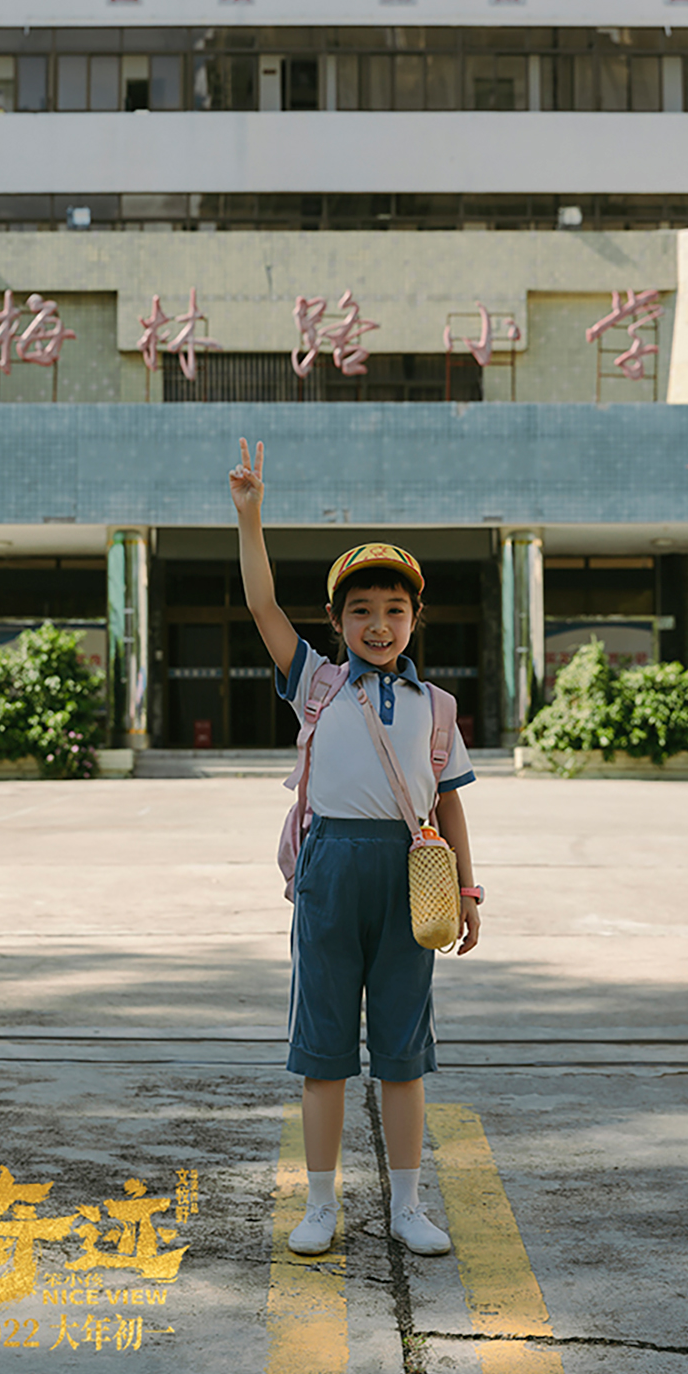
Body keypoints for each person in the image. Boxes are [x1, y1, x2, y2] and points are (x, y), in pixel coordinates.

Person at [229, 437, 483, 1258]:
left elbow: (449, 803)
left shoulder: (436, 706)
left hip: (415, 874)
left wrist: (469, 892)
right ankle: (321, 1204)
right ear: (337, 623)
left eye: (395, 611)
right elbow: (264, 608)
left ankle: (407, 1207)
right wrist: (251, 517)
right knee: (324, 1050)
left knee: (404, 1053)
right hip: (331, 870)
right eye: (362, 611)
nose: (380, 624)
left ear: (415, 620)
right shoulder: (318, 684)